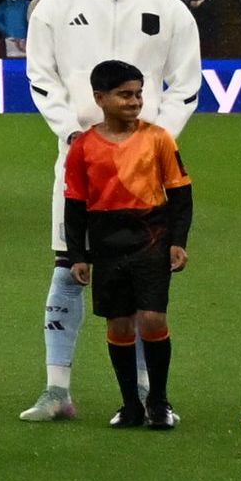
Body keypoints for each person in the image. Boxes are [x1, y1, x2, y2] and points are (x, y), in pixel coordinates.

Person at [21, 0, 200, 424]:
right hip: (81, 159)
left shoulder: (168, 9)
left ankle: (146, 393)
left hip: (148, 169)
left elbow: (186, 84)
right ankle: (57, 390)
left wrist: (156, 140)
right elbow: (41, 78)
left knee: (142, 279)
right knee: (68, 266)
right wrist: (73, 133)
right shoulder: (57, 6)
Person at [62, 59, 192, 429]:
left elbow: (181, 195)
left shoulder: (159, 138)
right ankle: (131, 404)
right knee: (119, 325)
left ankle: (159, 402)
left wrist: (178, 241)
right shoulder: (83, 147)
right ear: (100, 98)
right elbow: (75, 205)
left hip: (151, 237)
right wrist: (78, 255)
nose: (134, 102)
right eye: (125, 95)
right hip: (107, 243)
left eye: (138, 94)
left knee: (152, 318)